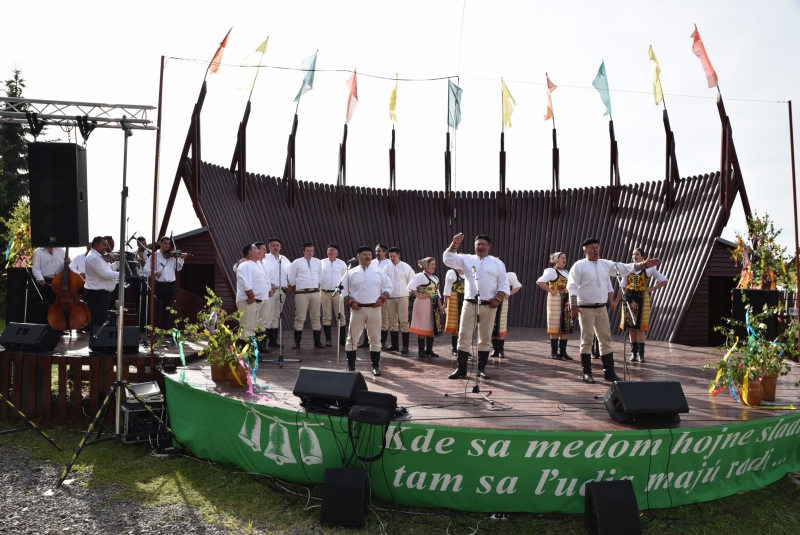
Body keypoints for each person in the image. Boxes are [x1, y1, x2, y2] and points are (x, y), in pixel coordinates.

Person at [567, 237, 661, 384]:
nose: (596, 250)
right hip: (585, 309)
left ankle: (609, 373)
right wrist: (573, 304)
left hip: (601, 308)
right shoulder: (579, 266)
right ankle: (587, 373)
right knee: (587, 341)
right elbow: (572, 286)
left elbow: (625, 268)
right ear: (585, 250)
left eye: (597, 247)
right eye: (592, 248)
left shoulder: (605, 264)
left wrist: (644, 265)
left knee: (606, 340)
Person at [443, 234, 510, 380]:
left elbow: (504, 283)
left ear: (489, 247)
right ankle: (461, 369)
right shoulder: (466, 259)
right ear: (474, 246)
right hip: (470, 303)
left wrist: (498, 299)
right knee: (464, 335)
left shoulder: (497, 263)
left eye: (483, 244)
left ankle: (481, 369)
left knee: (485, 338)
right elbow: (448, 260)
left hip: (489, 305)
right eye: (478, 244)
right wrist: (454, 244)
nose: (480, 246)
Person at [343, 246, 392, 375]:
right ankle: (351, 366)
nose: (368, 256)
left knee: (375, 338)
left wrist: (382, 298)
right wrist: (350, 302)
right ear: (358, 257)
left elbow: (388, 285)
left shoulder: (379, 272)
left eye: (369, 254)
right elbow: (343, 289)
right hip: (357, 309)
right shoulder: (350, 272)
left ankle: (375, 366)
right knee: (352, 338)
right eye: (364, 254)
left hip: (374, 309)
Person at [613, 247, 668, 363]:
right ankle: (633, 353)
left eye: (637, 254)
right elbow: (622, 286)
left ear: (642, 256)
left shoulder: (650, 269)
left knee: (641, 328)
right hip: (629, 298)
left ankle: (641, 354)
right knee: (631, 328)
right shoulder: (629, 268)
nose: (634, 256)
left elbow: (664, 280)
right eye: (633, 254)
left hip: (642, 298)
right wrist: (616, 301)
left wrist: (651, 289)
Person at [536, 252, 575, 361]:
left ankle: (563, 351)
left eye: (565, 258)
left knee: (566, 325)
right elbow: (540, 281)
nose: (565, 259)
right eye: (562, 258)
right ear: (556, 259)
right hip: (556, 300)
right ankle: (554, 352)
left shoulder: (567, 272)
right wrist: (550, 290)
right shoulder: (552, 271)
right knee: (555, 325)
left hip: (567, 300)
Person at [143, 236, 186, 330]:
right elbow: (145, 270)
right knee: (155, 307)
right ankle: (152, 328)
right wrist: (154, 273)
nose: (167, 245)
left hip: (170, 284)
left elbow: (178, 268)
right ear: (161, 244)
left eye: (168, 244)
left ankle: (165, 328)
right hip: (158, 284)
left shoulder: (172, 255)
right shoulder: (154, 256)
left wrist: (181, 258)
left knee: (167, 308)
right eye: (165, 243)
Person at [235, 244, 272, 352]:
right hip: (248, 300)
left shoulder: (256, 264)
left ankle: (250, 352)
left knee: (252, 327)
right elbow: (243, 280)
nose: (257, 250)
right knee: (247, 327)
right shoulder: (245, 264)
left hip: (255, 300)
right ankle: (246, 353)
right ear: (249, 252)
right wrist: (250, 295)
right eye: (255, 248)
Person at [287, 242, 324, 349]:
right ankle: (297, 342)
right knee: (300, 318)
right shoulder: (296, 262)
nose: (310, 253)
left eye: (312, 251)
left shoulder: (318, 262)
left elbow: (320, 277)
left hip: (315, 292)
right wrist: (294, 290)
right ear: (303, 251)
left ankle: (317, 341)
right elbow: (292, 279)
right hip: (301, 293)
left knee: (316, 317)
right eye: (308, 251)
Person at [408, 257, 444, 357]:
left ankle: (429, 350)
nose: (434, 267)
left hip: (434, 303)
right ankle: (421, 350)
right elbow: (411, 286)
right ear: (426, 266)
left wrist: (440, 306)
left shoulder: (435, 278)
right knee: (423, 324)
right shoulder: (421, 276)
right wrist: (419, 295)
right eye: (432, 264)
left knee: (432, 325)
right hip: (423, 303)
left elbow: (438, 293)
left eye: (434, 264)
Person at [383, 246, 415, 353]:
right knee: (392, 322)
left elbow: (412, 281)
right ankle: (394, 345)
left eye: (394, 256)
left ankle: (405, 346)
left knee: (404, 321)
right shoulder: (387, 268)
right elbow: (384, 282)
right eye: (390, 256)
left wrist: (409, 292)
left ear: (399, 255)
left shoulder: (406, 267)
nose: (392, 258)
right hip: (391, 297)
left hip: (403, 296)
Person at [83, 236, 119, 330]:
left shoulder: (98, 257)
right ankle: (96, 343)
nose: (106, 247)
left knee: (100, 319)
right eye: (103, 245)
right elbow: (104, 274)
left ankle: (98, 342)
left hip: (100, 293)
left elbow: (107, 269)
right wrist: (121, 274)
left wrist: (117, 264)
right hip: (97, 294)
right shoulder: (94, 257)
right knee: (98, 320)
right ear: (96, 245)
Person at [360, 243, 391, 349]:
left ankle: (382, 342)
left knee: (384, 319)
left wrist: (385, 295)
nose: (377, 253)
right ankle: (365, 341)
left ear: (385, 252)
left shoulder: (389, 263)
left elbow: (388, 281)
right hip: (370, 295)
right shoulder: (371, 263)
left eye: (379, 251)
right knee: (366, 318)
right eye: (376, 251)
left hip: (382, 296)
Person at [490, 258, 523, 358]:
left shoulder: (508, 275)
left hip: (502, 302)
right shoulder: (489, 275)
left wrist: (509, 294)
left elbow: (518, 286)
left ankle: (501, 350)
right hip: (490, 301)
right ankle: (495, 350)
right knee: (491, 324)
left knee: (500, 324)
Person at [264, 238, 292, 348]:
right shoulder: (265, 258)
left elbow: (291, 272)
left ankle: (273, 341)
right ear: (269, 247)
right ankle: (263, 342)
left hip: (282, 290)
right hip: (271, 290)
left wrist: (290, 285)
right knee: (269, 314)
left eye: (277, 245)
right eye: (273, 245)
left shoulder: (284, 259)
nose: (275, 247)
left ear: (280, 247)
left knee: (277, 314)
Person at [320, 244, 348, 347]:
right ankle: (328, 340)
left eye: (332, 250)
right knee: (326, 316)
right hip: (324, 292)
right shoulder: (322, 262)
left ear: (337, 252)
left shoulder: (342, 264)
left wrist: (344, 292)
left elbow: (346, 278)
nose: (330, 252)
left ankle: (342, 340)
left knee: (340, 316)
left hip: (337, 293)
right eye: (329, 250)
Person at [442, 267, 466, 356]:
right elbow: (447, 289)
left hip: (466, 299)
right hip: (454, 299)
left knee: (465, 325)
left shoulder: (467, 272)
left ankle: (464, 348)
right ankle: (454, 348)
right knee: (455, 324)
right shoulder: (452, 272)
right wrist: (445, 304)